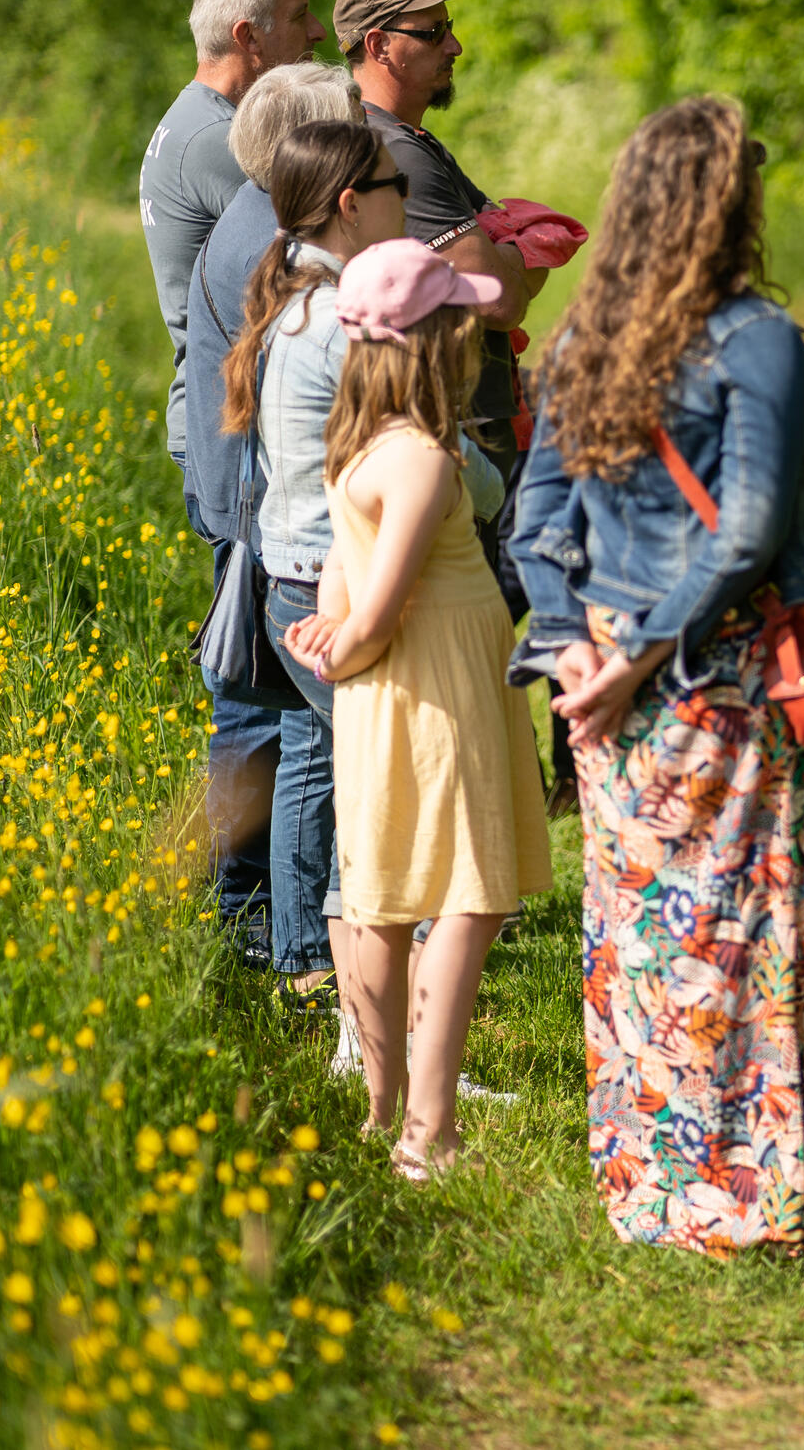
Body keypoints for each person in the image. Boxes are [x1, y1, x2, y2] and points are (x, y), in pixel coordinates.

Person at [509, 96, 804, 1252]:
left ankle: (665, 1195)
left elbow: (537, 524)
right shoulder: (752, 340)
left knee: (647, 950)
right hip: (717, 684)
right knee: (749, 938)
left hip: (613, 694)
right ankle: (766, 1199)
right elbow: (748, 533)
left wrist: (571, 640)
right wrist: (627, 657)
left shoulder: (586, 337)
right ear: (730, 210)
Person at [187, 67, 507, 1023]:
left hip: (297, 567)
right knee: (373, 807)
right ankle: (369, 1024)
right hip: (345, 573)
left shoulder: (293, 299)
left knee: (320, 766)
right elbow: (432, 459)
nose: (411, 199)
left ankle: (314, 978)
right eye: (397, 188)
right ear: (350, 203)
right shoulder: (345, 320)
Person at [280, 238, 551, 1180]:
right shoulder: (427, 459)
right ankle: (428, 1131)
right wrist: (347, 643)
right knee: (466, 901)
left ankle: (380, 1111)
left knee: (383, 901)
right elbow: (385, 603)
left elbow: (339, 583)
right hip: (437, 693)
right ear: (433, 344)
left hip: (386, 697)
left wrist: (328, 641)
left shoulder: (356, 443)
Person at [336, 0, 579, 811]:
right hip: (453, 431)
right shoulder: (395, 151)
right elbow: (501, 288)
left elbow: (492, 261)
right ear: (379, 45)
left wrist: (504, 249)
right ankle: (495, 815)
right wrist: (522, 249)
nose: (455, 47)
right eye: (433, 34)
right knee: (488, 619)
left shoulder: (405, 141)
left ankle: (520, 796)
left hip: (451, 420)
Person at [143, 0, 326, 969]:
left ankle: (244, 914)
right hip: (236, 449)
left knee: (255, 690)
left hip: (228, 435)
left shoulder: (200, 124)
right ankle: (240, 919)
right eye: (298, 16)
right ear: (248, 32)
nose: (314, 33)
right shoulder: (227, 145)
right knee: (256, 697)